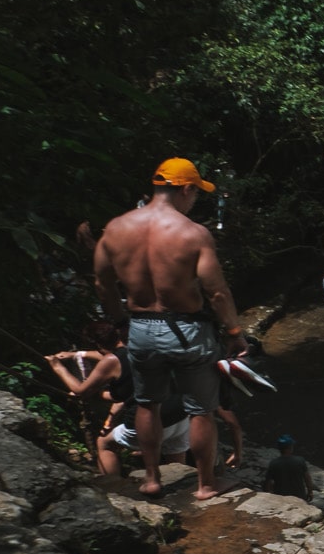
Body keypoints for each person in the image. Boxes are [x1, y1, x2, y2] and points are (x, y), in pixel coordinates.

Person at [93, 157, 245, 500]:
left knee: (147, 404)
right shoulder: (193, 233)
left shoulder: (115, 228)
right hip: (188, 330)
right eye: (197, 193)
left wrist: (121, 322)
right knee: (200, 409)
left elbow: (102, 284)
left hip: (141, 327)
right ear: (186, 189)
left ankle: (151, 479)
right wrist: (234, 333)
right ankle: (206, 485)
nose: (195, 200)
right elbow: (217, 292)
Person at [264, 435, 314, 500]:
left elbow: (268, 483)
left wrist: (270, 496)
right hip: (299, 497)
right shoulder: (300, 461)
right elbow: (307, 479)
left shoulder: (273, 464)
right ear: (291, 447)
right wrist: (310, 492)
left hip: (281, 498)